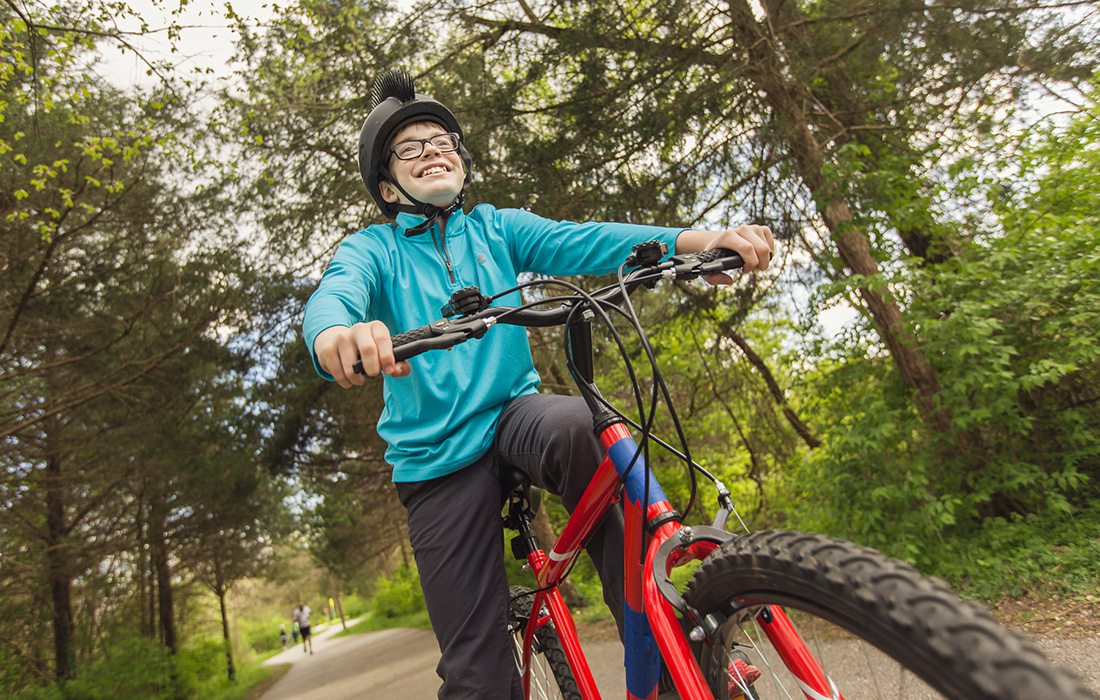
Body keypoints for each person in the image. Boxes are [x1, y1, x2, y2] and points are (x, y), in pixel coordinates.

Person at [303, 70, 773, 699]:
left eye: (442, 139)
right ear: (388, 187)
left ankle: (664, 643)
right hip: (436, 460)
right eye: (410, 147)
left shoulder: (496, 228)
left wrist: (699, 240)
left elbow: (584, 240)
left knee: (586, 428)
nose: (433, 150)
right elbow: (335, 292)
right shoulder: (374, 249)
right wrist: (337, 332)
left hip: (514, 416)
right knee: (477, 674)